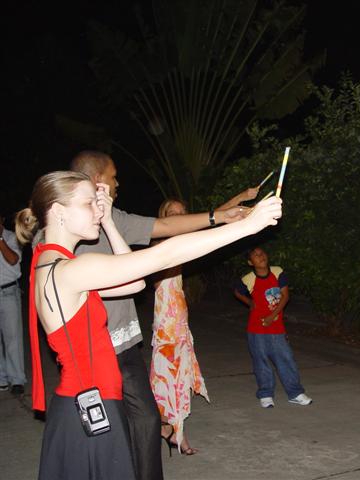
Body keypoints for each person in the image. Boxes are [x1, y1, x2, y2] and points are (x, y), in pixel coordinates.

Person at [16, 171, 282, 479]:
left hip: (84, 403)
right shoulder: (72, 270)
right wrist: (247, 226)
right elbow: (165, 254)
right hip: (92, 406)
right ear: (59, 212)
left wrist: (109, 223)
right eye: (89, 203)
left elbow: (134, 284)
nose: (98, 210)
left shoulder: (50, 263)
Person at [68, 150, 259, 479]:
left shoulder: (117, 219)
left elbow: (175, 228)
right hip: (96, 346)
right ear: (98, 181)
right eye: (113, 176)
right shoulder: (70, 230)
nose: (118, 183)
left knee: (147, 418)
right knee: (106, 430)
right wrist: (233, 218)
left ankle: (167, 439)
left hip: (131, 342)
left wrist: (230, 213)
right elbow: (163, 247)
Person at [149, 199, 207, 456]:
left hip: (180, 321)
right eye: (173, 213)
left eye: (183, 213)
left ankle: (171, 430)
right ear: (163, 217)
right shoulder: (160, 246)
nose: (180, 216)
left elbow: (212, 222)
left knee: (179, 379)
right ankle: (170, 430)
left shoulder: (181, 242)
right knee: (167, 378)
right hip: (166, 324)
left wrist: (238, 203)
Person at [233, 246, 312, 408]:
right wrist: (250, 303)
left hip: (276, 327)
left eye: (262, 253)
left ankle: (295, 393)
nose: (260, 256)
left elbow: (285, 296)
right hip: (256, 328)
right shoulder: (248, 279)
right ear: (250, 262)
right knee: (261, 360)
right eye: (255, 255)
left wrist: (272, 316)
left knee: (286, 358)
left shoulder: (278, 272)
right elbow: (237, 292)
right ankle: (266, 394)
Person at [0, 214, 26, 395]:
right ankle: (1, 378)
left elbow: (12, 259)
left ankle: (17, 379)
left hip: (8, 292)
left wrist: (0, 239)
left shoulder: (12, 237)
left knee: (12, 339)